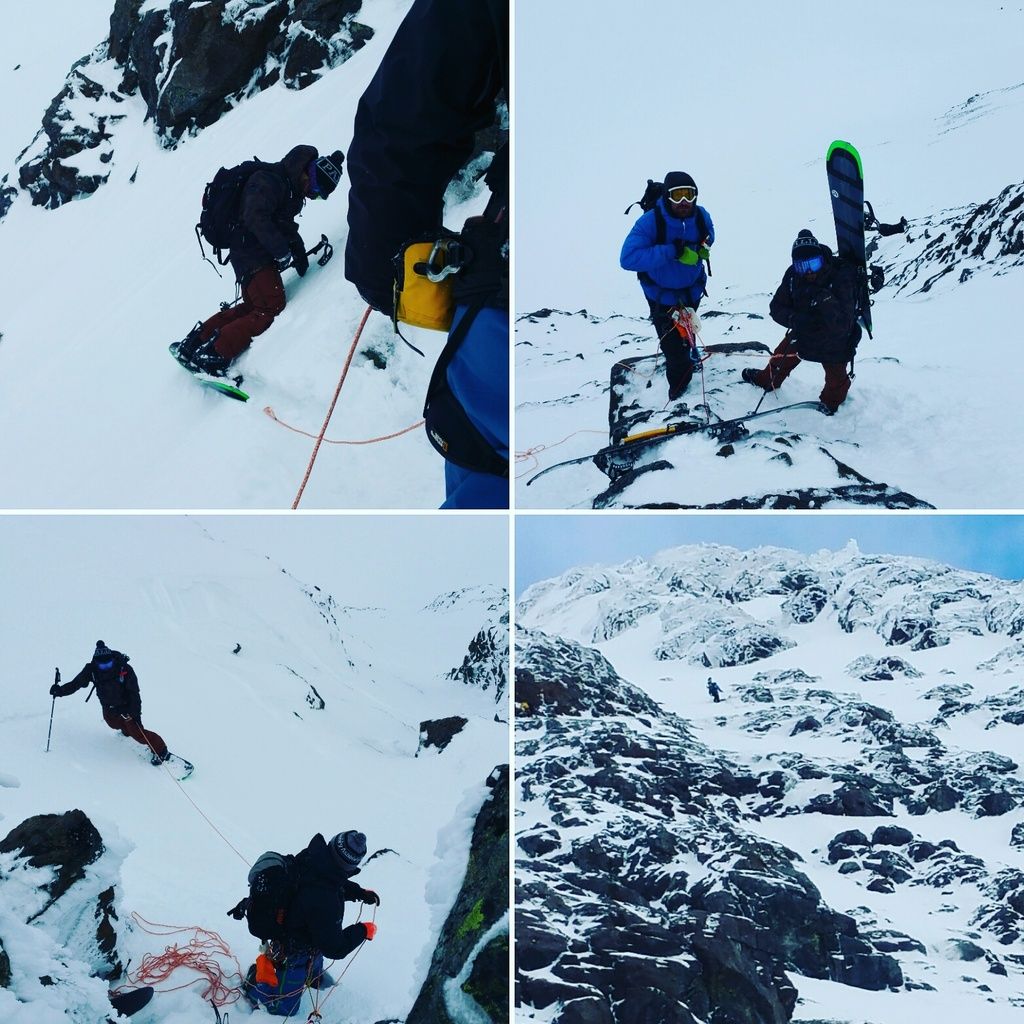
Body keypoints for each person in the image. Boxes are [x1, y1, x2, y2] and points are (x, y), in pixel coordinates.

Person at [344, 0, 509, 510]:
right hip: (508, 271)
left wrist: (382, 252)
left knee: (485, 455)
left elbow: (410, 104)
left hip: (506, 276)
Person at [177, 146, 345, 376]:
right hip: (249, 252)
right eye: (315, 191)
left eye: (318, 197)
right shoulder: (269, 181)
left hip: (251, 252)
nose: (312, 196)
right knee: (270, 307)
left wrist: (297, 251)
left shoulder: (291, 190)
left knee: (252, 307)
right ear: (309, 174)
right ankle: (214, 354)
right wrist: (281, 252)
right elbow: (254, 217)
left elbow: (284, 225)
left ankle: (195, 343)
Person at [243, 831, 380, 1016]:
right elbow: (335, 948)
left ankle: (311, 978)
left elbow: (331, 883)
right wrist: (363, 931)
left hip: (308, 939)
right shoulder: (325, 899)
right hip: (293, 953)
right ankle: (255, 983)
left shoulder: (315, 857)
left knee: (314, 966)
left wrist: (359, 892)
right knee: (285, 1009)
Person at [741, 229, 862, 414]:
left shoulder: (841, 275)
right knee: (779, 359)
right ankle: (766, 380)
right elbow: (776, 307)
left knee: (836, 383)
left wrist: (825, 303)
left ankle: (830, 404)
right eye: (802, 266)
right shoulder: (793, 276)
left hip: (836, 340)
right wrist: (796, 319)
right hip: (803, 333)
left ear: (822, 259)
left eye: (813, 264)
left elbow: (844, 323)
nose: (809, 271)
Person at [620, 172, 715, 401]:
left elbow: (710, 233)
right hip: (661, 297)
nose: (684, 202)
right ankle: (679, 389)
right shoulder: (650, 222)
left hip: (692, 291)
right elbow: (628, 258)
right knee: (674, 352)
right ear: (666, 197)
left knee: (688, 329)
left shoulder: (701, 216)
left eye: (689, 195)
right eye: (677, 195)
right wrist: (674, 251)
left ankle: (689, 351)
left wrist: (703, 247)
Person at [50, 642, 170, 764]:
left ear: (112, 660)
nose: (106, 667)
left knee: (138, 733)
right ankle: (126, 731)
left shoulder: (124, 668)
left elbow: (134, 693)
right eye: (102, 666)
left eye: (108, 664)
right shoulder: (92, 670)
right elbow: (76, 683)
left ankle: (161, 750)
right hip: (109, 706)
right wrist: (60, 691)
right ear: (97, 663)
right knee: (112, 723)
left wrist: (134, 714)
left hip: (127, 706)